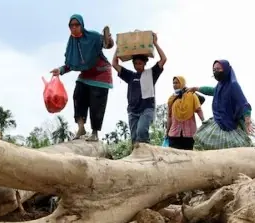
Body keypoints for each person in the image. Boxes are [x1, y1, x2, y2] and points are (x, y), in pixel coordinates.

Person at [50, 14, 115, 142]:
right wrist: (61, 70)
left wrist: (108, 39)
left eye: (76, 25)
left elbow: (108, 45)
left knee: (96, 103)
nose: (74, 28)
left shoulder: (93, 36)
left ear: (82, 25)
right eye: (71, 25)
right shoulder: (72, 43)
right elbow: (71, 63)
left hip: (101, 73)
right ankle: (81, 127)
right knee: (78, 95)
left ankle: (95, 133)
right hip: (86, 74)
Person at [112, 33, 167, 145]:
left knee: (141, 132)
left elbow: (163, 59)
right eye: (135, 63)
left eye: (140, 63)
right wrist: (119, 47)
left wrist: (155, 43)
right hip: (133, 110)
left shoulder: (151, 74)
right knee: (134, 138)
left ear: (145, 63)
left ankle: (146, 154)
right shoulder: (130, 75)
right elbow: (114, 63)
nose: (137, 65)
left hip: (146, 109)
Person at [187, 60, 254, 150]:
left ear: (226, 69)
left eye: (218, 69)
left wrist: (248, 122)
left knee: (232, 151)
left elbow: (244, 104)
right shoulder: (220, 85)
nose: (215, 72)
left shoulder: (233, 85)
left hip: (230, 126)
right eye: (214, 70)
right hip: (218, 121)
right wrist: (196, 88)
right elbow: (211, 91)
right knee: (204, 144)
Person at [166, 76, 205, 150]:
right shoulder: (171, 99)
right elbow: (169, 116)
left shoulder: (192, 95)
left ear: (182, 83)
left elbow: (198, 109)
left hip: (189, 134)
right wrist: (167, 131)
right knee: (174, 156)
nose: (174, 85)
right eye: (173, 83)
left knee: (188, 157)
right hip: (174, 134)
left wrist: (204, 122)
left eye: (177, 83)